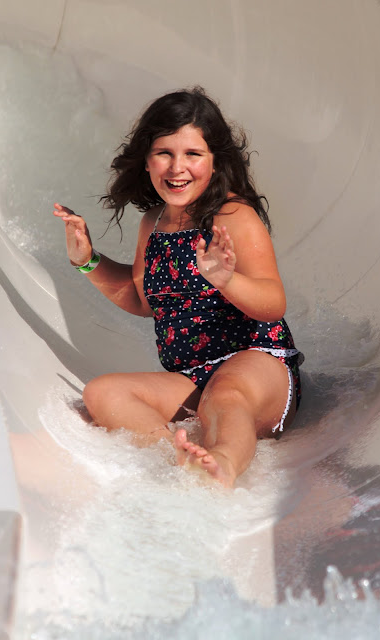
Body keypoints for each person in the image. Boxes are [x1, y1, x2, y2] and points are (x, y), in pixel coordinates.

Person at [53, 86, 302, 488]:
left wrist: (227, 280)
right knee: (102, 393)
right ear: (146, 160)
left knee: (226, 394)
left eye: (193, 154)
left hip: (257, 363)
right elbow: (143, 300)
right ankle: (181, 459)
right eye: (164, 153)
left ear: (215, 161)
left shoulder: (233, 215)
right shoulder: (152, 223)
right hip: (192, 376)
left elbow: (273, 303)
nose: (177, 167)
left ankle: (223, 465)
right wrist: (87, 260)